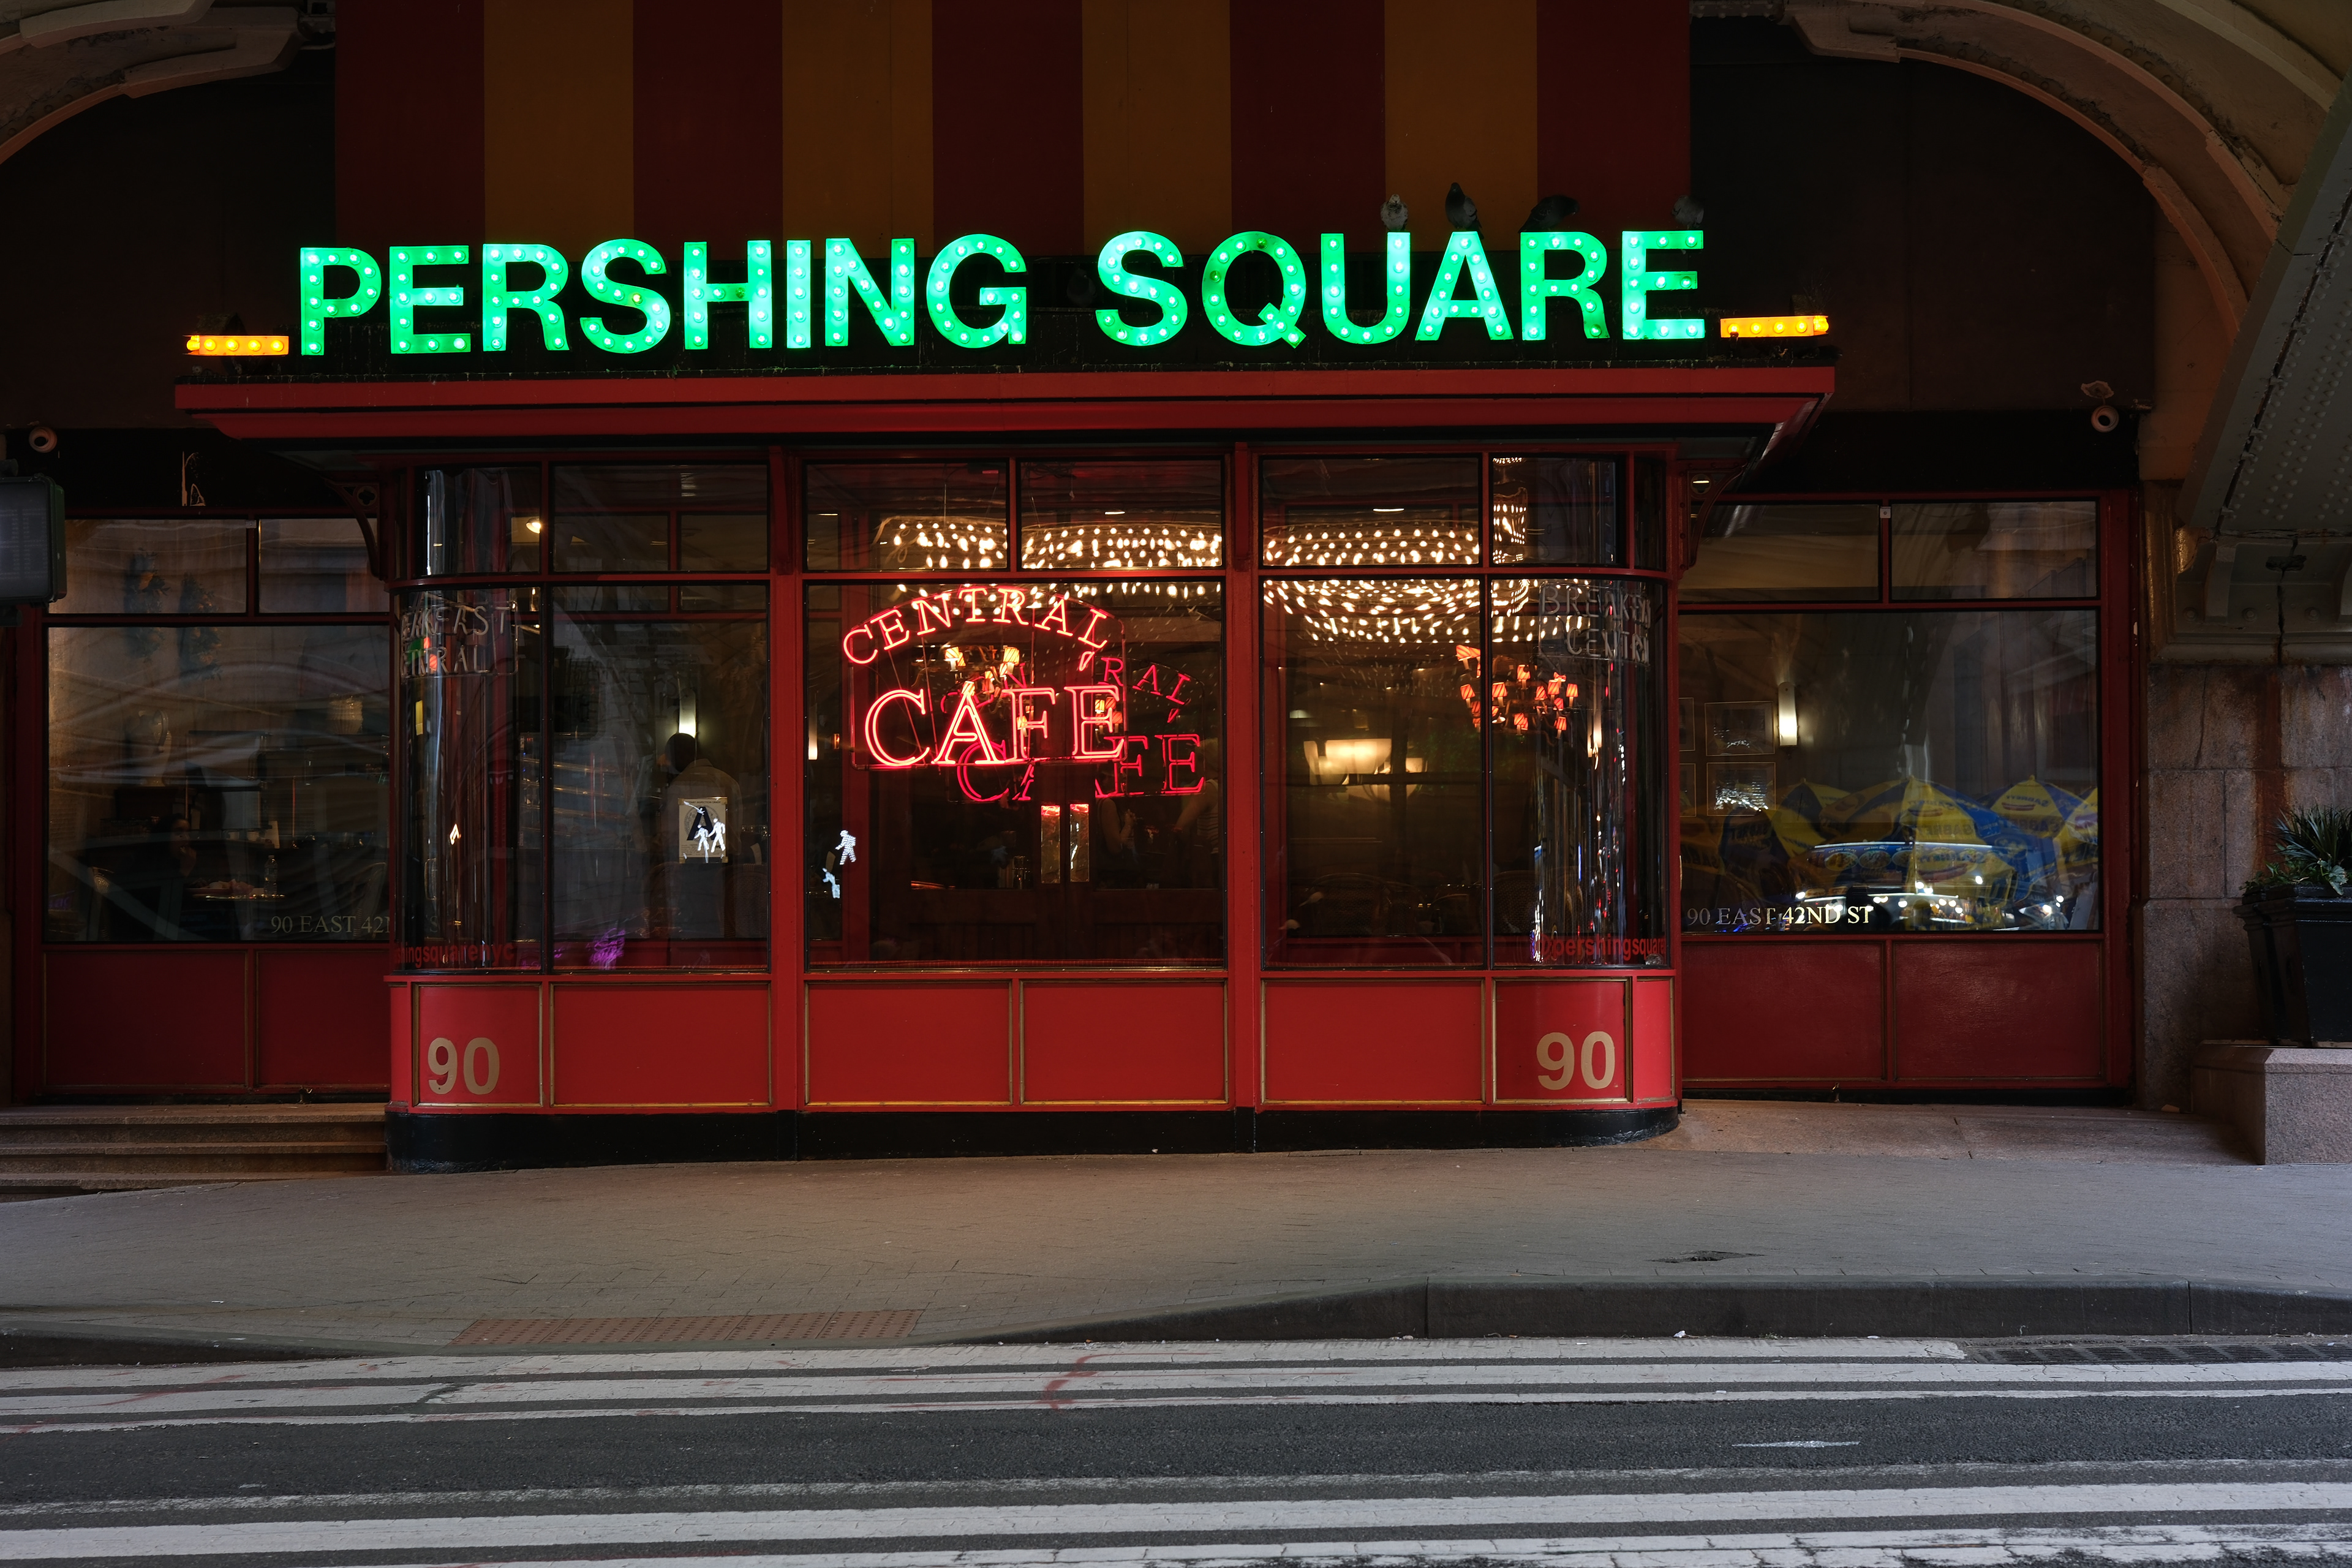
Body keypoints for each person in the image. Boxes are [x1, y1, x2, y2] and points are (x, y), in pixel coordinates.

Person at [655, 731, 738, 939]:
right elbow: (737, 831)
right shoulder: (729, 782)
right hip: (727, 871)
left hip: (693, 872)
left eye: (671, 758)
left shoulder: (680, 785)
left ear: (680, 755)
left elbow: (670, 837)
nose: (670, 765)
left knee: (695, 929)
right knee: (721, 925)